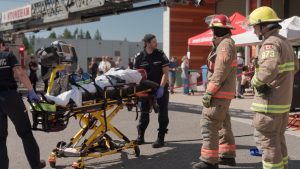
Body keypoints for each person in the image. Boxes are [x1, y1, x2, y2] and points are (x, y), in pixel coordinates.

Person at [247, 6, 299, 169]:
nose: (254, 29)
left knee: (268, 143)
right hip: (282, 104)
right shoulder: (285, 42)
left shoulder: (269, 44)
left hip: (269, 105)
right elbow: (296, 66)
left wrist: (255, 81)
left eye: (255, 26)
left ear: (264, 26)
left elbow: (268, 69)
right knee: (278, 140)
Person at [193, 14, 237, 169]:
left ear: (219, 29)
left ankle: (209, 161)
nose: (212, 32)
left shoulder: (224, 45)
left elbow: (220, 71)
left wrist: (209, 92)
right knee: (223, 123)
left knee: (209, 123)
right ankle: (227, 156)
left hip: (219, 93)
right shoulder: (225, 43)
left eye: (213, 29)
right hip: (223, 92)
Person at [0, 38, 46, 169]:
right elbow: (20, 72)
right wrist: (31, 91)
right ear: (2, 45)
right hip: (10, 97)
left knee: (0, 138)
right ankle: (35, 164)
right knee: (25, 133)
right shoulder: (7, 55)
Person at [134, 34, 169, 148]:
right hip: (145, 89)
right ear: (147, 43)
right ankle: (140, 136)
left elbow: (166, 73)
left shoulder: (160, 54)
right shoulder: (139, 57)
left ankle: (161, 138)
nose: (156, 43)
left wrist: (162, 87)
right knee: (144, 113)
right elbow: (135, 75)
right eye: (154, 42)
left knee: (162, 113)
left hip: (160, 87)